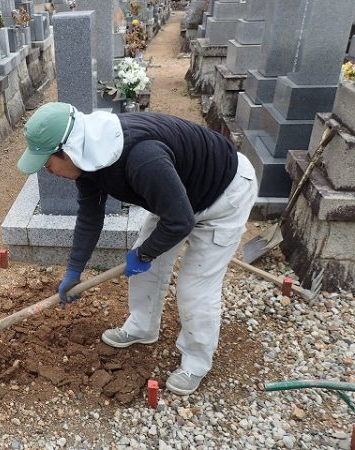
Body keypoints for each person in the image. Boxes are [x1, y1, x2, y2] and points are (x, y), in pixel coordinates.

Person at [16, 102, 258, 395]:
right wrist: (74, 269)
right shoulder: (89, 161)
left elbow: (179, 222)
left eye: (47, 163)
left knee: (195, 287)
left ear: (67, 150)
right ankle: (143, 326)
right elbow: (90, 217)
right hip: (174, 195)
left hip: (224, 194)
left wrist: (144, 255)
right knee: (147, 267)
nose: (48, 171)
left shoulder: (141, 157)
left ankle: (196, 360)